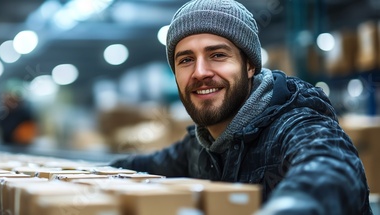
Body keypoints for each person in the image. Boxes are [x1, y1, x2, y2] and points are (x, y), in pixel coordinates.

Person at [109, 0, 372, 214]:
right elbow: (131, 167)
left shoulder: (298, 125)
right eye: (186, 60)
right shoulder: (199, 146)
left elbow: (328, 173)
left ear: (249, 66)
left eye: (218, 55)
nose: (200, 72)